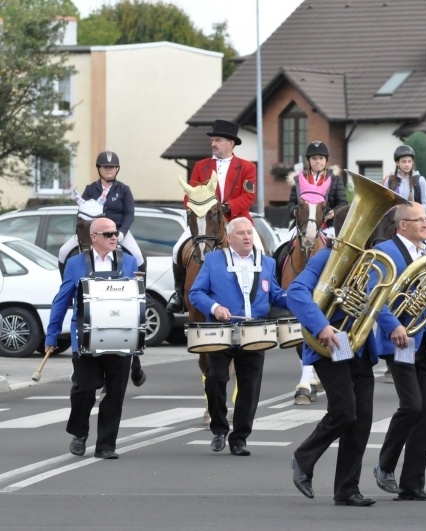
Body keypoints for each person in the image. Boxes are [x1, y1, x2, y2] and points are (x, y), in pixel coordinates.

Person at [287, 206, 406, 507]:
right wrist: (321, 325)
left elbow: (374, 302)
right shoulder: (327, 257)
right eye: (367, 225)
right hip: (331, 342)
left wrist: (394, 326)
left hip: (358, 345)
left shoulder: (368, 262)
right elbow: (296, 292)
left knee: (361, 420)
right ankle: (303, 457)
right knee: (344, 410)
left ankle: (347, 489)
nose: (373, 232)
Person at [188, 217, 288, 456]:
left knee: (249, 387)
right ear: (229, 237)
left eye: (249, 233)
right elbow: (196, 292)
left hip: (254, 332)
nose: (246, 237)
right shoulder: (214, 260)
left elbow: (274, 295)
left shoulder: (267, 262)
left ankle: (239, 438)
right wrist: (214, 308)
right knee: (215, 379)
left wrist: (299, 298)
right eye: (241, 233)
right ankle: (219, 429)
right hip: (220, 331)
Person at [44, 217, 140, 459]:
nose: (114, 237)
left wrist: (138, 337)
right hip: (85, 338)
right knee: (84, 389)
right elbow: (62, 299)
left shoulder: (129, 262)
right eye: (108, 234)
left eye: (115, 233)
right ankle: (79, 433)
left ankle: (106, 445)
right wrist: (52, 334)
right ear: (94, 237)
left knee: (115, 394)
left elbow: (136, 300)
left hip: (120, 338)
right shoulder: (75, 263)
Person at [373, 202, 426, 501]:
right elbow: (373, 295)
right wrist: (393, 325)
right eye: (420, 220)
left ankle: (412, 485)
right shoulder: (385, 251)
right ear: (402, 224)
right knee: (412, 406)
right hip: (401, 340)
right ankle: (384, 465)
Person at [58, 150, 147, 387]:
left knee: (138, 257)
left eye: (112, 167)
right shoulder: (90, 189)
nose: (109, 170)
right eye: (106, 167)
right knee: (63, 252)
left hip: (116, 232)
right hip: (92, 233)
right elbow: (81, 213)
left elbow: (129, 214)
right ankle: (69, 288)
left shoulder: (123, 190)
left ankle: (140, 294)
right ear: (99, 169)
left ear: (117, 169)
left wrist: (121, 233)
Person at [167, 119, 259, 314]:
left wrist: (226, 207)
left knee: (259, 248)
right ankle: (179, 293)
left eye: (217, 140)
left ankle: (262, 293)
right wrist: (196, 209)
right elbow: (190, 193)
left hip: (235, 218)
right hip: (205, 221)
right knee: (176, 250)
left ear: (230, 143)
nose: (213, 144)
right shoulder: (201, 166)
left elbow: (248, 196)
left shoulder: (247, 167)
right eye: (212, 140)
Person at [286, 141, 348, 228]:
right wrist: (293, 211)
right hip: (302, 225)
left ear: (326, 159)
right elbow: (292, 202)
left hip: (328, 225)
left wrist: (334, 212)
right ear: (309, 160)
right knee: (287, 237)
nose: (318, 161)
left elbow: (343, 203)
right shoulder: (300, 179)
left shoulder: (335, 179)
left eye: (321, 158)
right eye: (314, 158)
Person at [383, 145, 426, 211]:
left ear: (412, 162)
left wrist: (414, 211)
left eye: (409, 161)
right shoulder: (389, 180)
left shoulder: (420, 180)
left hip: (415, 216)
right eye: (404, 161)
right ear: (397, 163)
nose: (407, 165)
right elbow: (385, 204)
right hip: (395, 217)